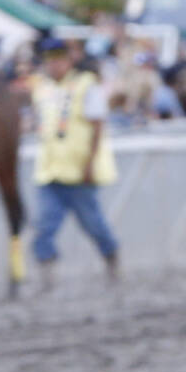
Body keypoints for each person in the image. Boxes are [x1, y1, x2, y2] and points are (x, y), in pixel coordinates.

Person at [28, 35, 120, 285]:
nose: (54, 65)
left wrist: (90, 163)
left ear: (68, 61)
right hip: (50, 171)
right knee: (44, 228)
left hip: (79, 171)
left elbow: (97, 125)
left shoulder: (85, 85)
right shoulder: (42, 89)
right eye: (49, 61)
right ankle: (47, 278)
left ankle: (112, 258)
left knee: (94, 225)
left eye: (58, 60)